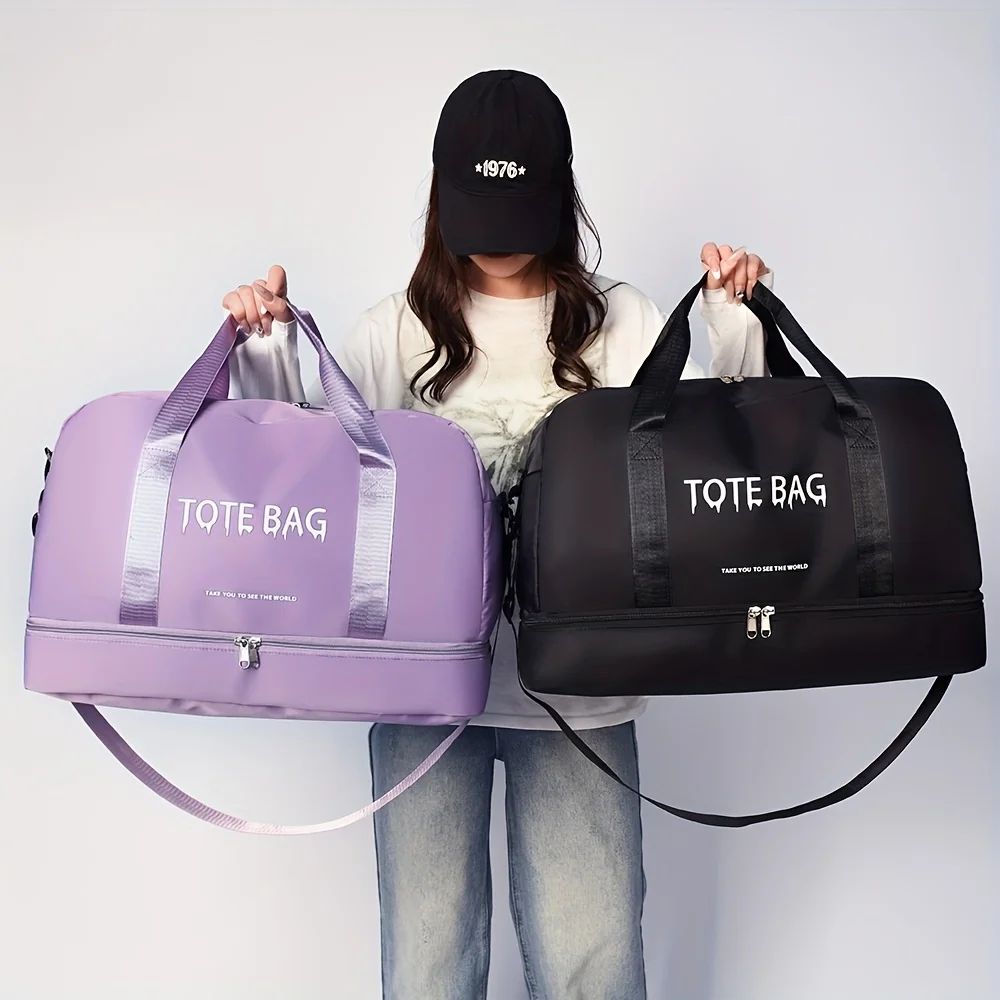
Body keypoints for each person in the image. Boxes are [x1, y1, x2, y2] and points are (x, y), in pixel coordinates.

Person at [223, 68, 773, 1000]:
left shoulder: (623, 320)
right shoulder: (394, 332)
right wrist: (265, 346)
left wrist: (734, 321)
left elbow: (716, 463)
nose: (503, 240)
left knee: (593, 963)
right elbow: (297, 481)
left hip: (582, 691)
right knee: (427, 965)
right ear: (445, 197)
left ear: (559, 196)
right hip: (419, 689)